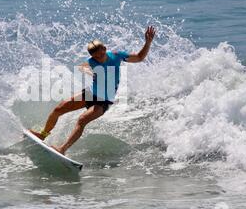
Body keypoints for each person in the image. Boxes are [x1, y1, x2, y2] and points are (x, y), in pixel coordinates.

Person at [30, 26, 156, 154]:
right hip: (90, 93)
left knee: (82, 120)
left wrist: (148, 42)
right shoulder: (91, 60)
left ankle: (62, 149)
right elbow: (82, 67)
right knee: (58, 109)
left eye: (101, 54)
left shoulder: (117, 56)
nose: (99, 58)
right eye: (96, 57)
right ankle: (43, 135)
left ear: (105, 49)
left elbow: (140, 57)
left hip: (104, 100)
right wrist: (90, 72)